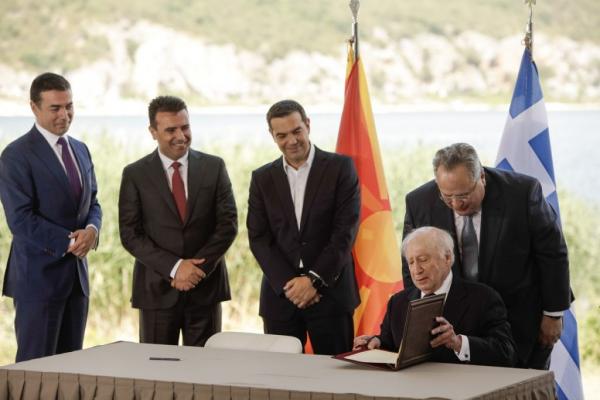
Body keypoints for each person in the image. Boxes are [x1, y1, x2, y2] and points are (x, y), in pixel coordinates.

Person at [402, 142, 570, 369]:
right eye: (447, 197)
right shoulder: (419, 202)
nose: (456, 204)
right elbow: (410, 265)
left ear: (481, 177)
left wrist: (553, 314)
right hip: (454, 329)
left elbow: (552, 254)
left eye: (463, 195)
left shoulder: (522, 193)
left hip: (519, 323)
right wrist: (421, 321)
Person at [119, 95, 237, 346]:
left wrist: (195, 271)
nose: (181, 136)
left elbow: (227, 225)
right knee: (157, 366)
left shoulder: (214, 167)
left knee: (205, 366)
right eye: (170, 130)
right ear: (153, 132)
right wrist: (175, 267)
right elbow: (130, 234)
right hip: (156, 291)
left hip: (205, 288)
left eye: (185, 127)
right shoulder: (135, 174)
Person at [0, 72, 102, 362]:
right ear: (34, 107)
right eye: (55, 108)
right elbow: (20, 219)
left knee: (71, 369)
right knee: (36, 371)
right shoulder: (15, 155)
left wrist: (92, 230)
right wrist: (71, 242)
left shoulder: (80, 149)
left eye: (69, 106)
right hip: (38, 282)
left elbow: (93, 202)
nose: (64, 115)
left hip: (77, 282)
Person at [247, 99, 360, 355]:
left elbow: (345, 232)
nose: (292, 140)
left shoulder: (341, 168)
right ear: (272, 135)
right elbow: (259, 238)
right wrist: (291, 285)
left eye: (297, 131)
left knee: (335, 374)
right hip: (281, 298)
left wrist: (313, 281)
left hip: (331, 296)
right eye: (282, 135)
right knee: (280, 375)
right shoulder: (262, 178)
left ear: (307, 125)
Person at [354, 227, 517, 367]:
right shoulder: (398, 302)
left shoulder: (483, 297)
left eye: (423, 260)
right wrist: (375, 343)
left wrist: (458, 343)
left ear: (447, 258)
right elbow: (390, 346)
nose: (417, 270)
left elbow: (506, 353)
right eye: (411, 262)